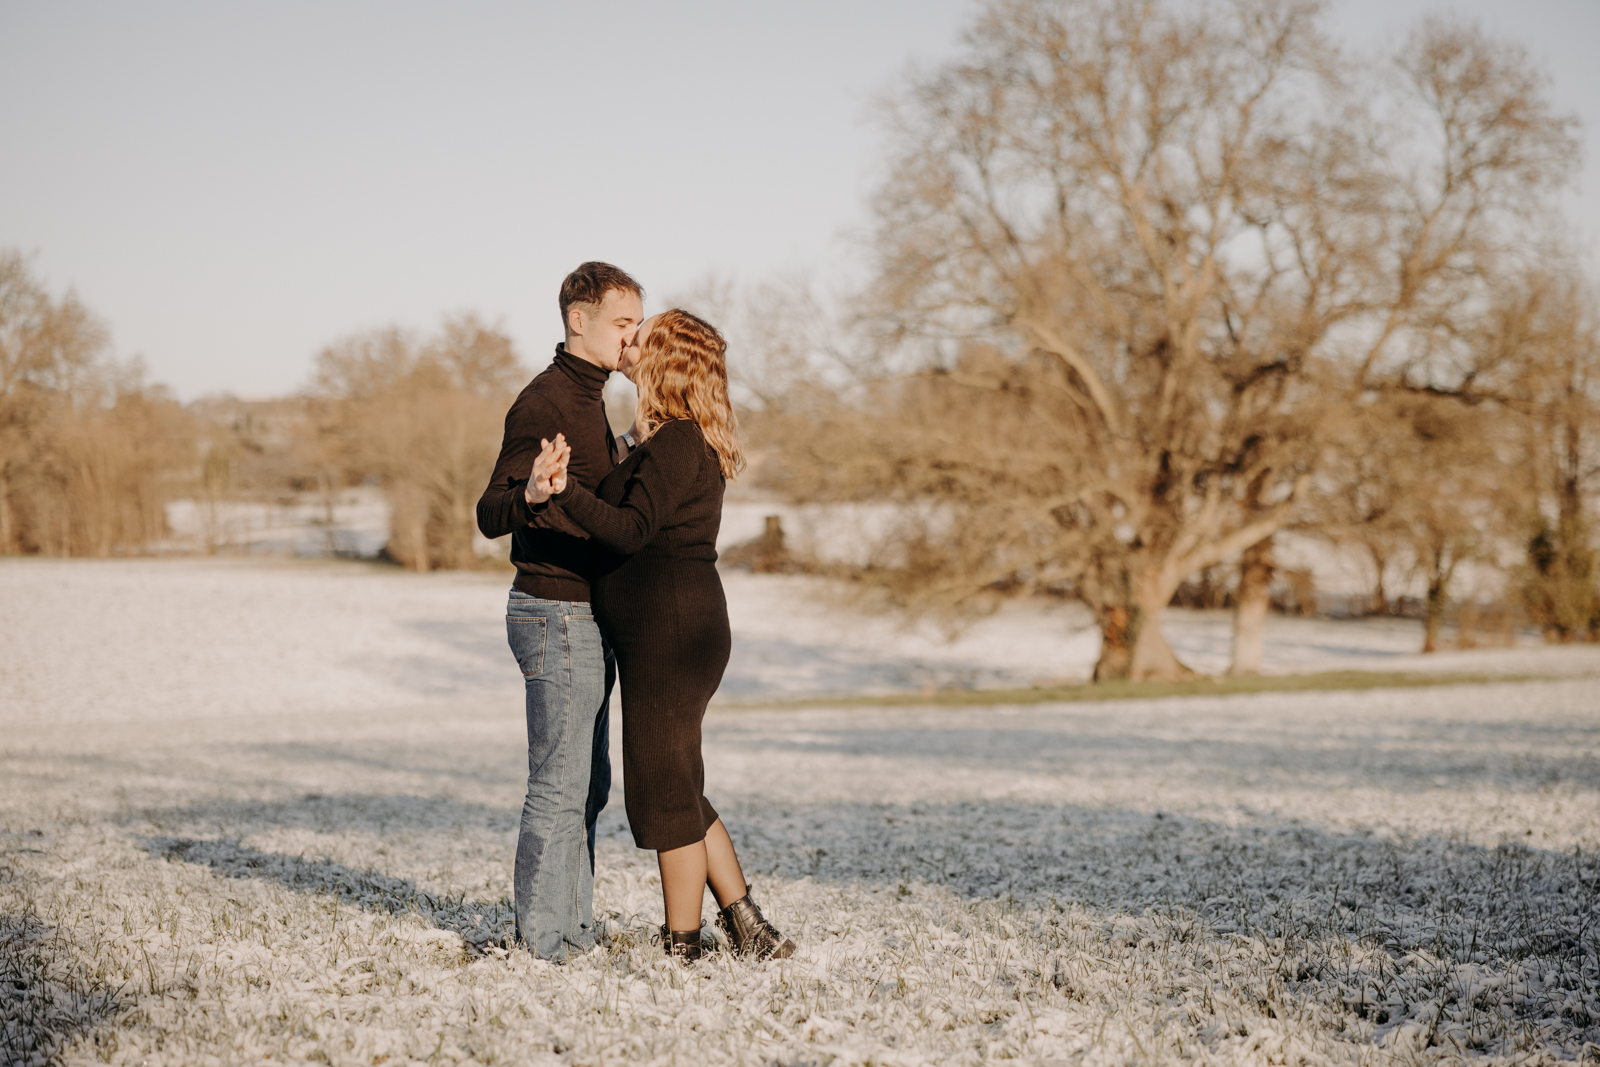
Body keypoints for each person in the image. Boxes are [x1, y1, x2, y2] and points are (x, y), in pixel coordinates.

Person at [527, 309, 794, 963]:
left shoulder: (677, 442)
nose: (630, 340)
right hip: (670, 631)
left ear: (666, 360)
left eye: (642, 336)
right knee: (677, 784)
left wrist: (563, 493)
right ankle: (749, 928)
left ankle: (684, 945)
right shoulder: (667, 439)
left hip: (670, 635)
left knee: (663, 794)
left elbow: (628, 530)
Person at [475, 261, 643, 962]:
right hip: (553, 609)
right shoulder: (544, 401)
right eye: (622, 323)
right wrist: (533, 494)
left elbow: (599, 498)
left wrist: (629, 446)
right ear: (579, 319)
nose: (633, 337)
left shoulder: (595, 399)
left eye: (638, 324)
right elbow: (490, 512)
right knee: (559, 784)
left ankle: (573, 931)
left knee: (589, 787)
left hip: (585, 615)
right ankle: (542, 942)